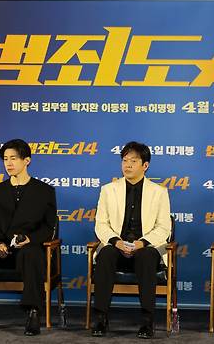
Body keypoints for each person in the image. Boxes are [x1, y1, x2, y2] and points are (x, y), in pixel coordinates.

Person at [0, 138, 57, 336]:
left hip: (28, 245)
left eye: (13, 158)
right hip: (0, 244)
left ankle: (33, 313)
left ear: (27, 160)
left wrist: (31, 239)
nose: (9, 163)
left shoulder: (45, 191)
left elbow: (49, 227)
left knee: (32, 255)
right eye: (5, 159)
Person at [91, 141, 171, 339]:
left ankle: (147, 319)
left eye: (133, 161)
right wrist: (116, 241)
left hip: (145, 246)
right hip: (116, 245)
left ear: (145, 165)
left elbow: (163, 227)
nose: (127, 165)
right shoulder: (108, 190)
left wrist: (141, 243)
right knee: (106, 254)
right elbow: (101, 224)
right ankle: (101, 317)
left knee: (146, 256)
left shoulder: (159, 192)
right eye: (124, 160)